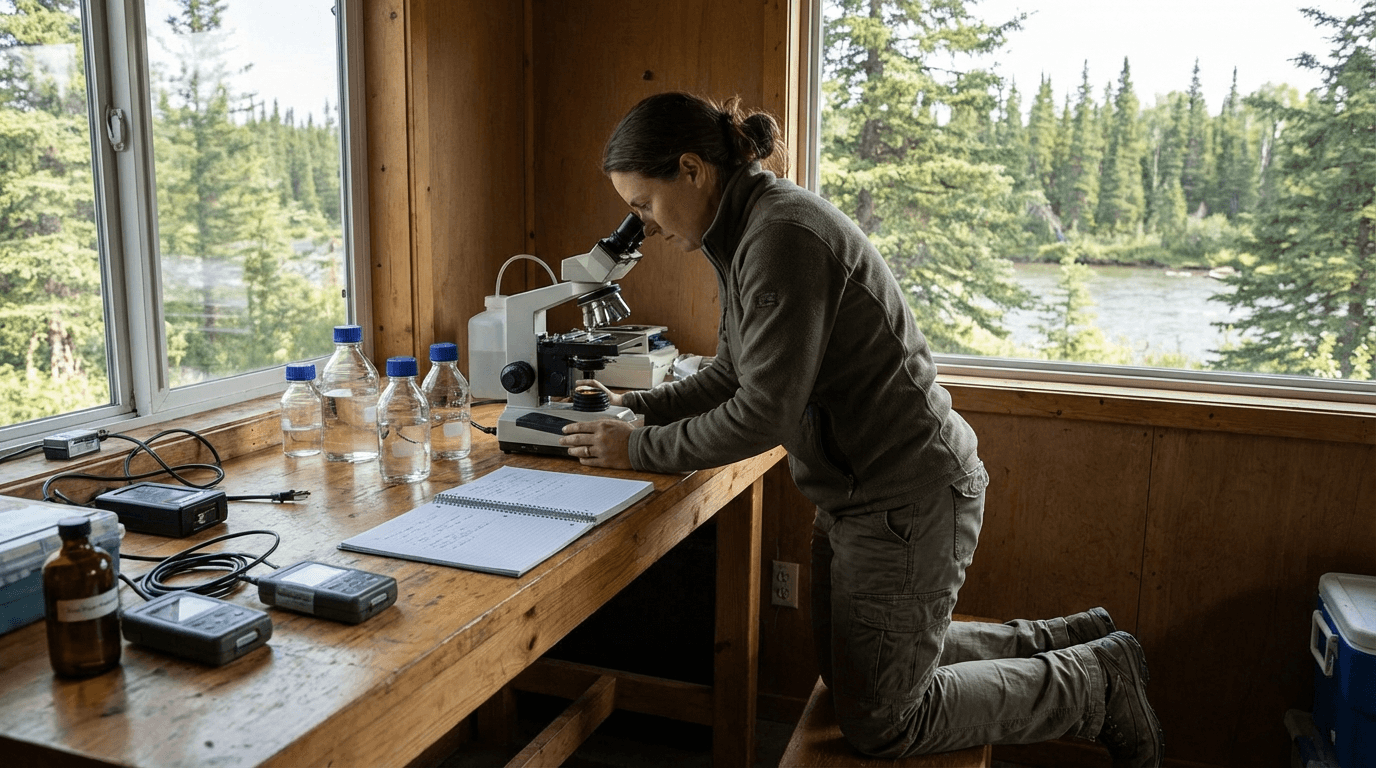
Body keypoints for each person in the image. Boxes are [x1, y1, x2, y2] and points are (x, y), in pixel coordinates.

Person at [558, 92, 1164, 767]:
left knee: (884, 721)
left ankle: (1096, 685)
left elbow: (764, 412)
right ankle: (1071, 639)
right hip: (861, 495)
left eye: (643, 203)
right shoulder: (744, 229)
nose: (641, 224)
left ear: (692, 169)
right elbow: (735, 373)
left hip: (903, 497)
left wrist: (636, 448)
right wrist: (638, 410)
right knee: (856, 675)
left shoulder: (779, 236)